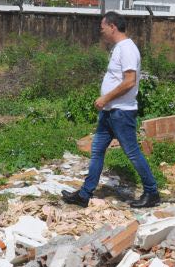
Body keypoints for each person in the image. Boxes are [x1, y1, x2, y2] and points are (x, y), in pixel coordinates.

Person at [62, 11, 160, 209]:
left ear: (113, 26)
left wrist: (106, 97)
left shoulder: (127, 49)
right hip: (110, 111)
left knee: (132, 153)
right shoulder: (119, 48)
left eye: (103, 27)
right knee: (97, 150)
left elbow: (130, 81)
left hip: (121, 112)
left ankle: (152, 192)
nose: (102, 31)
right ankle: (84, 194)